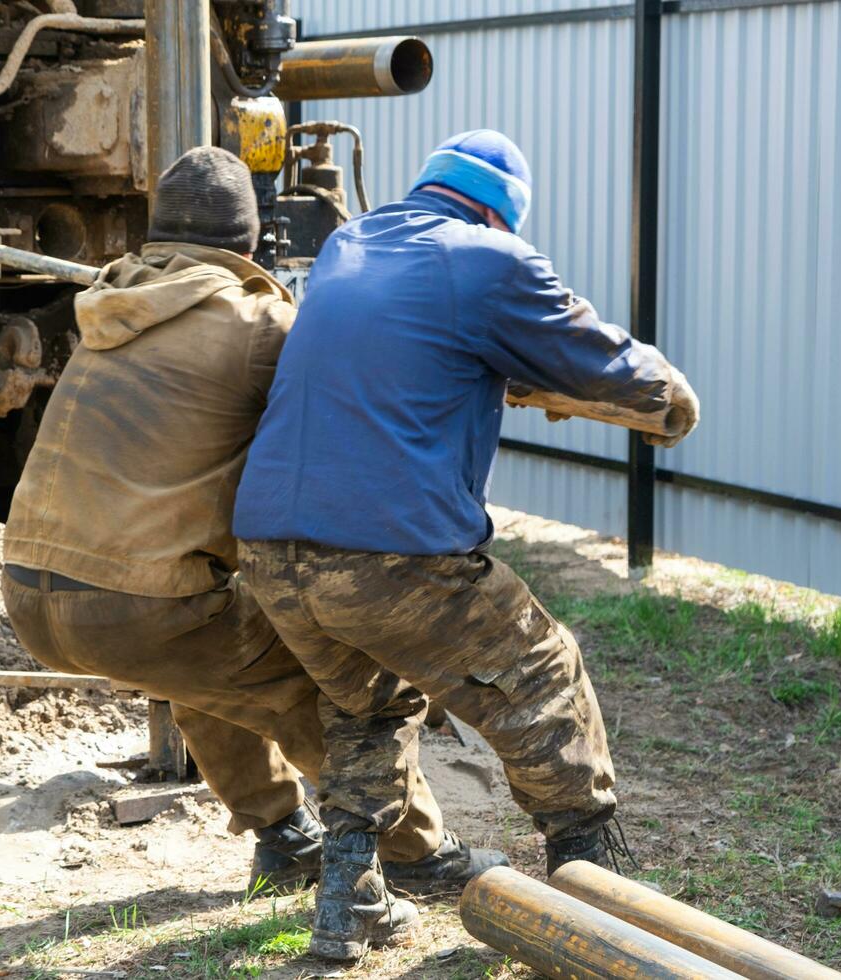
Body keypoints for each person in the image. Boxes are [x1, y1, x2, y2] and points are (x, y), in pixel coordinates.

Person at [233, 129, 701, 960]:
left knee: (364, 706)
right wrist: (669, 395)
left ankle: (348, 902)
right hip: (386, 554)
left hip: (271, 549)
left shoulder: (352, 243)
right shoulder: (488, 259)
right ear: (497, 214)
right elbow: (604, 363)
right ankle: (591, 900)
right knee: (542, 677)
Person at [1, 146, 507, 899]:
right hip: (135, 606)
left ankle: (282, 832)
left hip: (30, 595)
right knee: (316, 688)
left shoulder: (108, 310)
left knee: (206, 662)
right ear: (250, 242)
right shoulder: (256, 325)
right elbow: (355, 408)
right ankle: (417, 853)